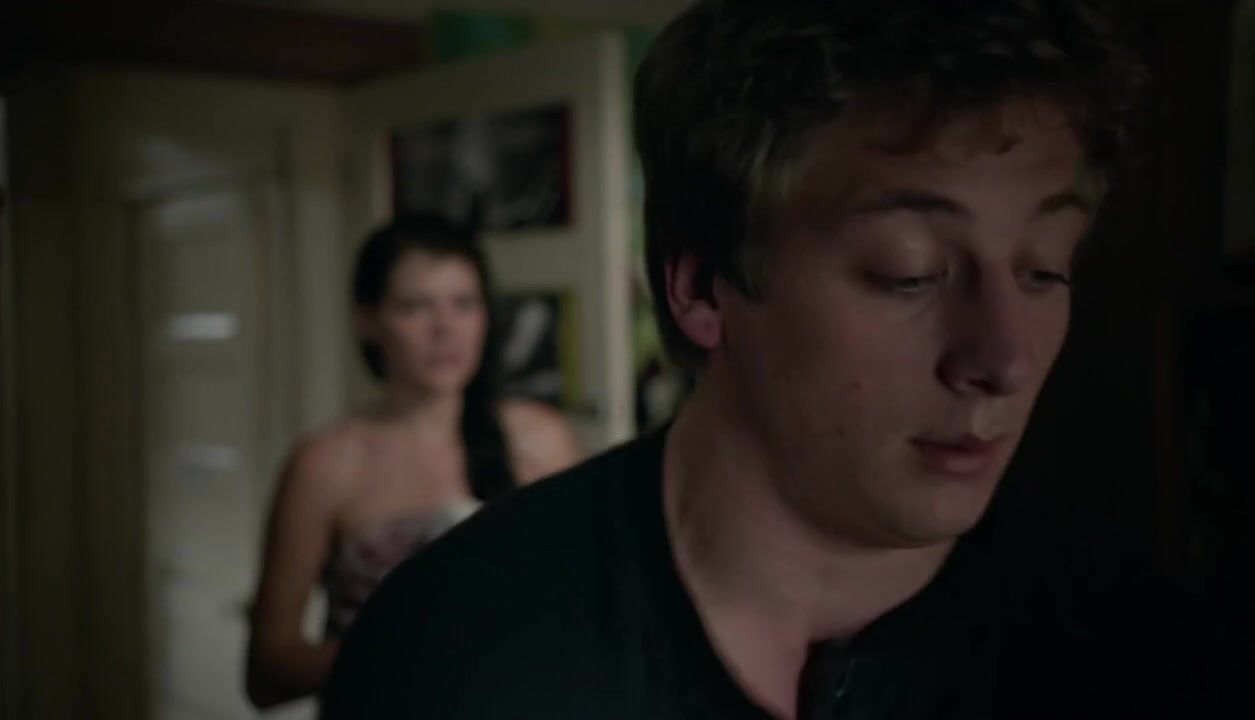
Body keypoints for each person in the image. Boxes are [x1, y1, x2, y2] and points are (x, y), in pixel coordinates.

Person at [321, 2, 1239, 718]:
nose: (1002, 358)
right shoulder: (455, 653)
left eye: (1044, 268)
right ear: (702, 286)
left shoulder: (1140, 655)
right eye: (908, 272)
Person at [244, 214, 581, 709]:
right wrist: (405, 644)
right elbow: (268, 672)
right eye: (415, 306)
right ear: (368, 320)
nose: (445, 329)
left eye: (463, 303)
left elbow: (587, 610)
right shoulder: (326, 465)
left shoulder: (542, 440)